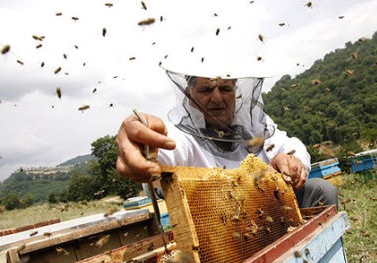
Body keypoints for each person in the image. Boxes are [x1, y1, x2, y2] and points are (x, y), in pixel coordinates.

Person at [116, 69, 338, 209]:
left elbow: (290, 144)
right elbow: (161, 155)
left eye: (225, 88)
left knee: (321, 190)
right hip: (221, 234)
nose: (217, 97)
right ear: (188, 94)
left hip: (271, 212)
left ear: (236, 92)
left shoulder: (253, 125)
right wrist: (142, 146)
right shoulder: (182, 137)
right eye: (205, 89)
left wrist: (290, 161)